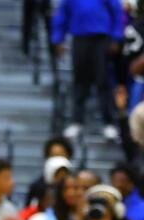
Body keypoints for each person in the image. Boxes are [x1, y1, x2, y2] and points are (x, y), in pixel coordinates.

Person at [52, 0, 124, 141]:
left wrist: (116, 38)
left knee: (103, 81)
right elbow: (62, 15)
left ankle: (108, 123)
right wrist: (58, 39)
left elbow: (117, 12)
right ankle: (77, 122)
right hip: (80, 37)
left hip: (101, 38)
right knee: (79, 80)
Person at [26, 137, 76, 209]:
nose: (58, 160)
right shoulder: (37, 187)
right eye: (53, 156)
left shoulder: (76, 183)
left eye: (61, 155)